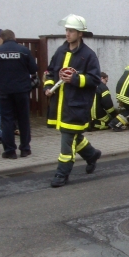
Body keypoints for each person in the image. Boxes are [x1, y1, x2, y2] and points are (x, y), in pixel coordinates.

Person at [43, 14, 102, 188]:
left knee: (67, 140)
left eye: (71, 31)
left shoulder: (88, 55)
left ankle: (62, 174)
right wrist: (48, 86)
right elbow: (50, 71)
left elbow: (94, 80)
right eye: (66, 30)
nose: (67, 34)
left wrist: (75, 79)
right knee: (72, 136)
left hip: (77, 105)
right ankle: (91, 155)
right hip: (60, 104)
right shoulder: (60, 51)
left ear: (80, 33)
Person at [0, 29, 38, 159]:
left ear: (2, 38)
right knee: (23, 119)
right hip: (22, 90)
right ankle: (25, 149)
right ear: (14, 37)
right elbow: (33, 69)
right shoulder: (24, 51)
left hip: (4, 91)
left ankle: (10, 151)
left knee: (7, 120)